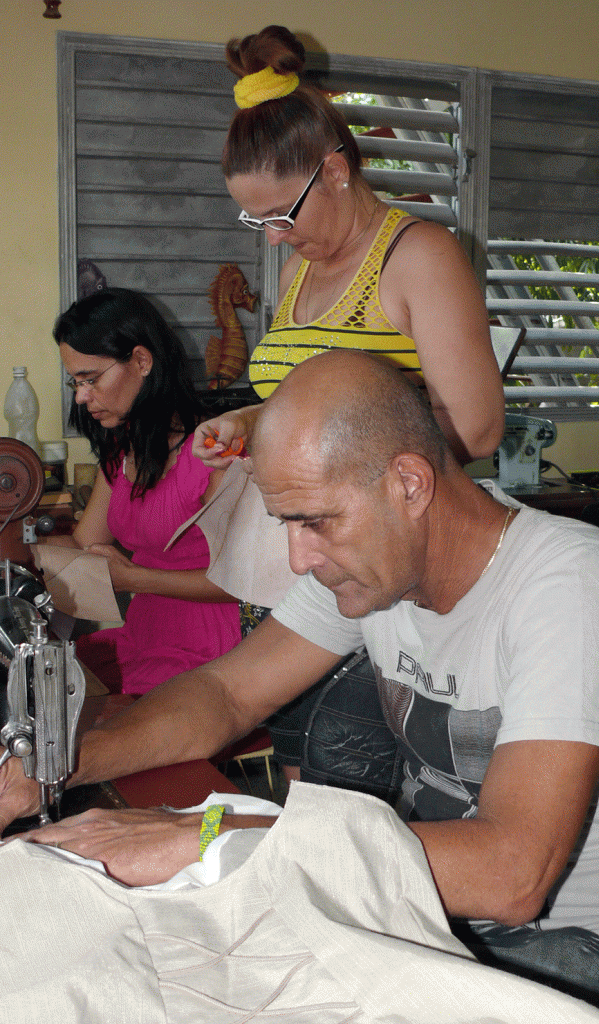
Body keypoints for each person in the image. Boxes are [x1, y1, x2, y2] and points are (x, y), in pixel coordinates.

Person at [0, 350, 599, 1021]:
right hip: (431, 907)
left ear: (410, 484)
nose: (298, 556)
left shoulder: (568, 582)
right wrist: (49, 763)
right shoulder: (373, 567)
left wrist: (207, 836)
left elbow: (513, 874)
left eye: (314, 522)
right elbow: (228, 695)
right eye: (288, 524)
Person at [193, 24, 506, 788]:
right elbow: (310, 407)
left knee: (355, 772)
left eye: (279, 215)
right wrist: (251, 424)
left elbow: (476, 426)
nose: (271, 240)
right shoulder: (305, 270)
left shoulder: (417, 256)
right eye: (255, 221)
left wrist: (344, 473)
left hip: (385, 558)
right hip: (296, 564)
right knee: (301, 762)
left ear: (334, 171)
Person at [49, 287, 241, 695]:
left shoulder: (212, 453)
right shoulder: (123, 450)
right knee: (46, 681)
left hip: (209, 647)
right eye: (75, 382)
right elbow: (85, 544)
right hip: (146, 630)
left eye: (91, 379)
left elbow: (240, 582)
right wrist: (9, 546)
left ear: (141, 360)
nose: (82, 397)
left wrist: (135, 578)